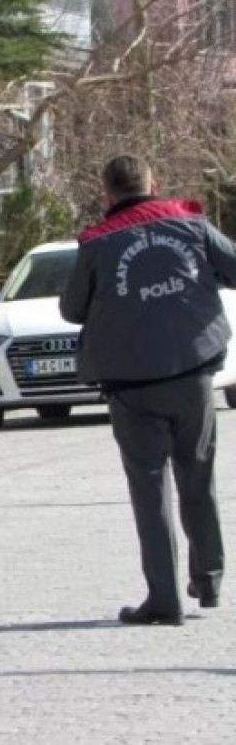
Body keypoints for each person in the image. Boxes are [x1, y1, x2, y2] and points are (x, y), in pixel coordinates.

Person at [60, 155, 236, 626]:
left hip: (131, 385)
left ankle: (164, 599)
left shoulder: (95, 243)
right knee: (198, 477)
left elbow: (72, 309)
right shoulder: (190, 223)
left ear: (107, 194)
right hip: (192, 371)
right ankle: (210, 579)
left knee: (149, 488)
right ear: (153, 183)